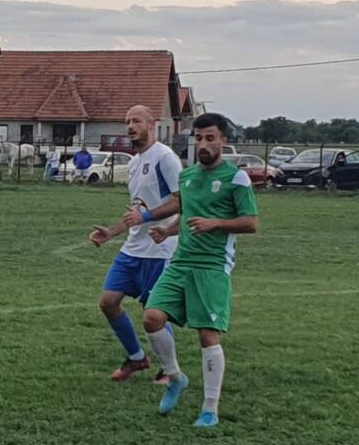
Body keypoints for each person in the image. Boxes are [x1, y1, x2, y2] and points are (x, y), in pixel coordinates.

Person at [124, 112, 259, 428]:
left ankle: (210, 409)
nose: (204, 144)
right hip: (180, 261)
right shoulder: (187, 177)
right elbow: (187, 215)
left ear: (223, 140)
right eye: (199, 139)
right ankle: (175, 378)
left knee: (207, 335)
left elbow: (251, 223)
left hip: (212, 266)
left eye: (210, 138)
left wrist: (216, 224)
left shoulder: (236, 178)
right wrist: (168, 230)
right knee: (152, 317)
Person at [90, 105, 182, 383]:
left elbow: (181, 201)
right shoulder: (133, 163)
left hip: (159, 248)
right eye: (127, 121)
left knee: (154, 311)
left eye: (137, 121)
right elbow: (136, 211)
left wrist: (150, 219)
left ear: (152, 125)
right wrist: (111, 232)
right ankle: (137, 358)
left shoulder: (165, 158)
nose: (130, 126)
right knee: (108, 303)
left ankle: (169, 370)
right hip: (132, 248)